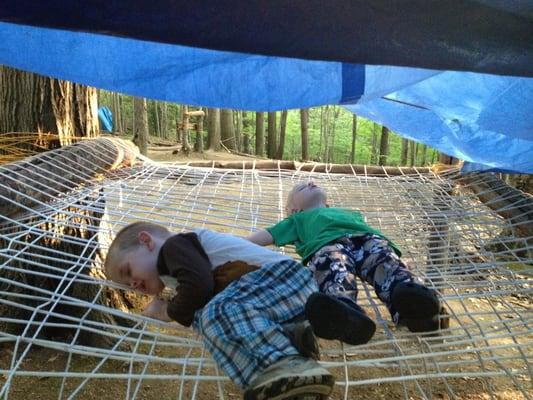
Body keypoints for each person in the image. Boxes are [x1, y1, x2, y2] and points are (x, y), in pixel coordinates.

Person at [104, 221, 334, 400]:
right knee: (211, 325)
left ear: (146, 241)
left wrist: (168, 312)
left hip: (282, 279)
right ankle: (289, 363)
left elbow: (199, 286)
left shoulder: (175, 247)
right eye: (127, 286)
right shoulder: (176, 276)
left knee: (212, 316)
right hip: (277, 301)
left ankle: (288, 364)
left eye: (128, 271)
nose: (133, 285)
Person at [247, 181, 448, 346]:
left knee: (385, 262)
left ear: (327, 205)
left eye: (310, 183)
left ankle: (414, 307)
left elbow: (376, 236)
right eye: (302, 188)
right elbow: (265, 236)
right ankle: (344, 313)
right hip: (327, 246)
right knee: (333, 268)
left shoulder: (349, 213)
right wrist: (227, 244)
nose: (311, 182)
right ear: (293, 210)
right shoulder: (296, 221)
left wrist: (399, 260)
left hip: (368, 240)